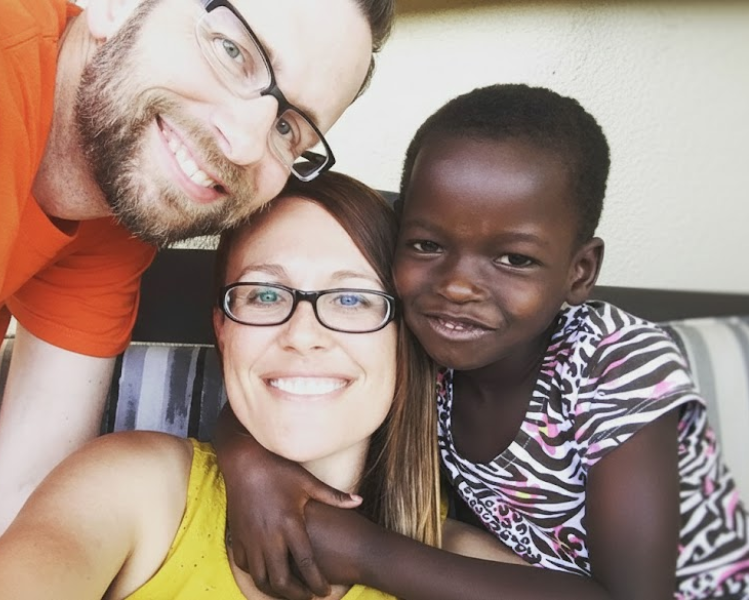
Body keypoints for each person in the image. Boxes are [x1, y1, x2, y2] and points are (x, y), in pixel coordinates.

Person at [0, 0, 393, 590]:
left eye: (288, 128)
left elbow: (29, 502)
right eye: (233, 51)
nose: (243, 143)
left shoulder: (112, 226)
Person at [217, 84, 749, 599]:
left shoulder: (616, 364)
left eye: (514, 259)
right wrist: (249, 464)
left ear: (580, 271)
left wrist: (360, 551)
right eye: (427, 245)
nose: (456, 287)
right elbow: (282, 386)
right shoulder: (426, 337)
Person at [0, 172, 521, 600]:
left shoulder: (467, 569)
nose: (303, 335)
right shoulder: (136, 490)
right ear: (223, 329)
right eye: (265, 294)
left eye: (351, 299)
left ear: (404, 337)